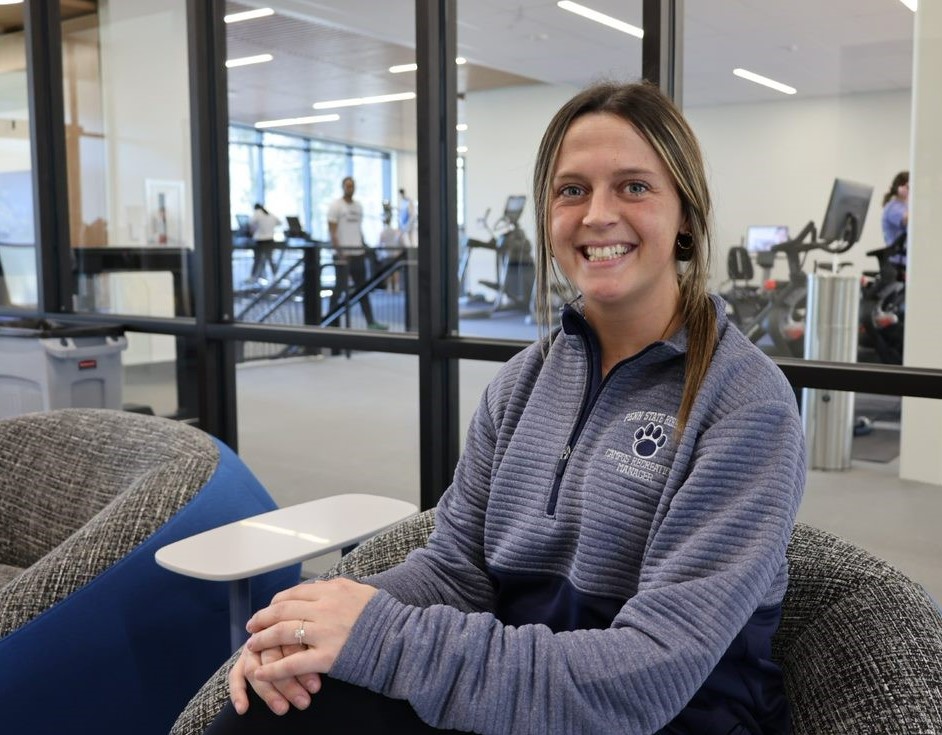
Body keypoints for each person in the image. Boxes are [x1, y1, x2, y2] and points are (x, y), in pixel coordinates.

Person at [206, 80, 806, 734]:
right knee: (274, 708)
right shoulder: (523, 383)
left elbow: (648, 675)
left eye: (634, 186)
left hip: (659, 717)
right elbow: (455, 571)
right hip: (520, 697)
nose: (597, 214)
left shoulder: (746, 403)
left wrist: (379, 634)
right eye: (572, 190)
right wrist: (306, 621)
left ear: (686, 215)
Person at [327, 176, 387, 330]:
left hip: (358, 253)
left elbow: (358, 230)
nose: (350, 188)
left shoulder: (358, 206)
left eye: (352, 186)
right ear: (343, 187)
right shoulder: (336, 206)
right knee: (339, 289)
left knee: (363, 289)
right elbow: (332, 232)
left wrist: (364, 246)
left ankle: (371, 321)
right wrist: (339, 252)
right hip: (343, 255)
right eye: (347, 186)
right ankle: (330, 321)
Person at [880, 170, 909, 266]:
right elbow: (908, 220)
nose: (908, 189)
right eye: (906, 186)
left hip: (906, 259)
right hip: (897, 260)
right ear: (897, 187)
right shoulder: (893, 207)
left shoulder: (905, 206)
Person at [249, 203, 281, 283]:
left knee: (257, 259)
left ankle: (253, 278)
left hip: (260, 240)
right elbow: (279, 222)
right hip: (270, 240)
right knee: (270, 259)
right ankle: (275, 276)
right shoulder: (270, 214)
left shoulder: (257, 213)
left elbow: (250, 223)